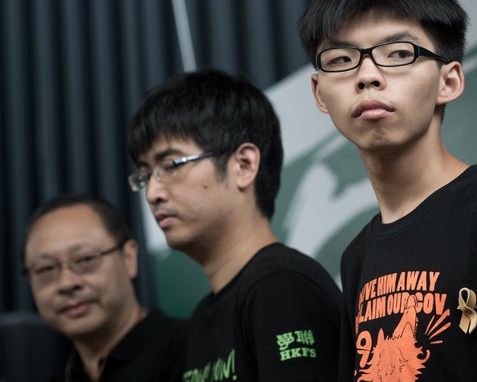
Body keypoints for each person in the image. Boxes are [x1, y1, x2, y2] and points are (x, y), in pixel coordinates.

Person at [298, 0, 477, 382]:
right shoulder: (356, 258)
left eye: (398, 54)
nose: (367, 76)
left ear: (448, 81)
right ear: (319, 94)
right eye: (341, 60)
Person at [126, 68, 342, 382]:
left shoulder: (281, 286)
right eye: (145, 175)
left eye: (171, 165)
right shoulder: (203, 317)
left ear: (243, 165)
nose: (153, 193)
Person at [21, 193, 186, 382]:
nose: (66, 283)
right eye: (46, 269)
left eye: (85, 259)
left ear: (129, 258)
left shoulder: (192, 353)